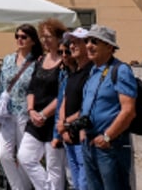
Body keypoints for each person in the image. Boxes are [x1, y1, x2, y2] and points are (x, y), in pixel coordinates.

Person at [78, 25, 136, 190]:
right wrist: (83, 132)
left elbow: (128, 110)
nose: (88, 45)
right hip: (90, 143)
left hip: (111, 146)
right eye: (87, 41)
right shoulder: (93, 71)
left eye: (94, 42)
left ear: (109, 46)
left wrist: (108, 136)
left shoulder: (120, 70)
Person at [19, 19, 67, 190]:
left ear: (58, 38)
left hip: (53, 120)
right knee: (25, 156)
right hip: (35, 118)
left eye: (49, 36)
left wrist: (44, 114)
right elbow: (31, 88)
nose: (45, 40)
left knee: (54, 167)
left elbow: (62, 94)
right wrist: (31, 110)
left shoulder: (64, 62)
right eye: (43, 36)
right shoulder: (40, 60)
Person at [0, 24, 41, 190]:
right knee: (4, 154)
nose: (19, 39)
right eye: (17, 36)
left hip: (24, 114)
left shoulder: (36, 63)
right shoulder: (7, 59)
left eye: (24, 37)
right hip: (7, 114)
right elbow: (1, 86)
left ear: (33, 41)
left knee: (23, 157)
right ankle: (18, 187)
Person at [56, 28, 91, 190]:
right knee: (76, 182)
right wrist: (63, 126)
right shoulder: (74, 72)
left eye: (78, 42)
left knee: (84, 183)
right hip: (69, 135)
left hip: (82, 136)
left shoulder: (90, 72)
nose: (72, 46)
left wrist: (66, 124)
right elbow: (65, 100)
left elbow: (88, 105)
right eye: (71, 42)